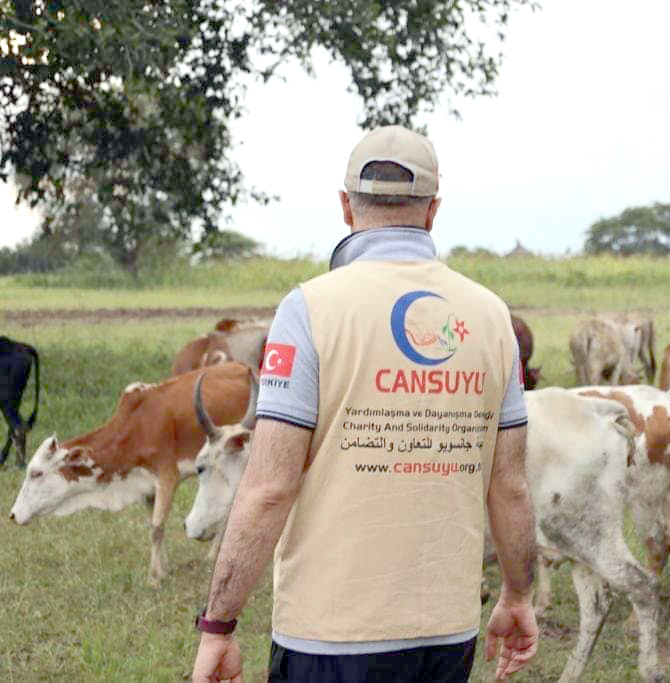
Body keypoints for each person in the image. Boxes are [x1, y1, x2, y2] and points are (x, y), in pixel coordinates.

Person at [191, 125, 538, 682]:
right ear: (433, 211)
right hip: (446, 637)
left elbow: (268, 487)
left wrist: (219, 625)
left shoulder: (308, 310)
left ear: (345, 207)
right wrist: (519, 594)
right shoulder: (492, 316)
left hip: (328, 637)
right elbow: (511, 485)